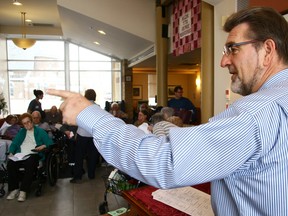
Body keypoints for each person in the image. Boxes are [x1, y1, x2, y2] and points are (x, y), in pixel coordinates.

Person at [48, 7, 288, 215]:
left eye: (232, 49)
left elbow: (165, 162)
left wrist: (90, 115)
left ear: (267, 50)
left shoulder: (255, 113)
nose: (223, 62)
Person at [6, 113, 53, 202]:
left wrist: (43, 146)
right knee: (11, 164)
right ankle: (14, 189)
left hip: (33, 154)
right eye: (24, 123)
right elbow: (15, 143)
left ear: (32, 122)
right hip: (21, 154)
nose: (27, 125)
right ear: (22, 125)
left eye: (28, 122)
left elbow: (49, 142)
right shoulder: (22, 132)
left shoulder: (40, 131)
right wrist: (11, 153)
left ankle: (23, 190)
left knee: (30, 163)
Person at [70, 89, 100, 183]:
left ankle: (77, 177)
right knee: (92, 155)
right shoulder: (98, 107)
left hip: (82, 134)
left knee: (79, 156)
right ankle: (91, 174)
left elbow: (77, 119)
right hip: (93, 134)